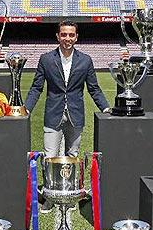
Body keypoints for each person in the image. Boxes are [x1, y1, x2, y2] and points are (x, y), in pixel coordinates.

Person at [25, 20, 111, 159]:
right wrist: (27, 108)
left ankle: (71, 182)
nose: (67, 38)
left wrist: (105, 108)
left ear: (76, 37)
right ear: (58, 36)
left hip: (75, 116)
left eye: (71, 35)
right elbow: (36, 87)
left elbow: (94, 88)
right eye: (64, 34)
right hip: (53, 115)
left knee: (72, 156)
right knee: (50, 156)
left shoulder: (85, 60)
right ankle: (50, 182)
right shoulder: (46, 59)